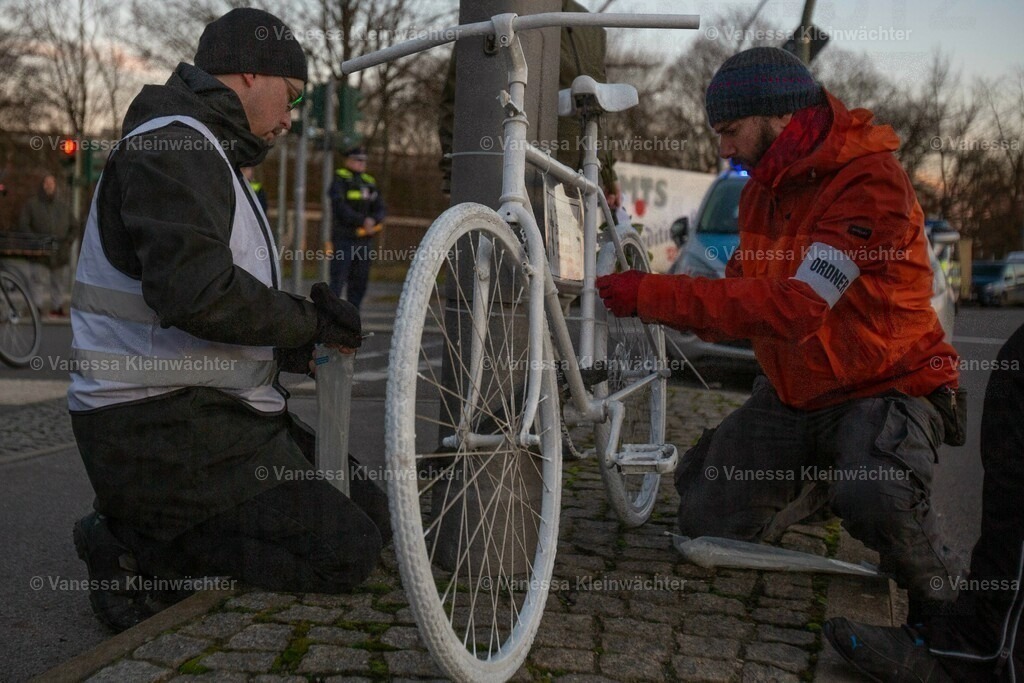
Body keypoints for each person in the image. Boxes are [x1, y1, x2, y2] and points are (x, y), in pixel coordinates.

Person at [595, 47, 964, 621]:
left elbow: (794, 308)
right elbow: (743, 292)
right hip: (796, 395)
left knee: (875, 495)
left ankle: (946, 605)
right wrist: (675, 299)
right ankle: (821, 481)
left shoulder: (870, 185)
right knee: (703, 513)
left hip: (885, 388)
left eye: (730, 130)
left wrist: (652, 294)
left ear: (779, 116)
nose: (723, 148)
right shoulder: (760, 191)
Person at [69, 8, 389, 633]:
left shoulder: (205, 150)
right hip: (156, 427)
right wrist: (305, 323)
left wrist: (303, 345)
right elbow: (196, 294)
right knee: (344, 553)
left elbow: (207, 304)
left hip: (213, 412)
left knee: (370, 514)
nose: (290, 120)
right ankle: (133, 544)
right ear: (250, 73)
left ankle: (155, 530)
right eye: (290, 98)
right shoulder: (176, 144)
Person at [826, 322, 1024, 682]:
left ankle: (980, 651)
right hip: (816, 389)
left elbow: (802, 301)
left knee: (877, 488)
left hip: (893, 384)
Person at [437, 0, 622, 209]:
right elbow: (458, 95)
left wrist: (607, 174)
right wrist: (452, 172)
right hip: (507, 174)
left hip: (572, 184)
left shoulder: (591, 27)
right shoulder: (498, 8)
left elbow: (598, 106)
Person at [328, 146, 385, 310]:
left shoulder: (369, 182)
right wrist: (362, 221)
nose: (362, 164)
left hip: (364, 240)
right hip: (344, 238)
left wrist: (373, 220)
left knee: (360, 282)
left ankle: (353, 318)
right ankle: (331, 318)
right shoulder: (340, 180)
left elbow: (380, 207)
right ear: (348, 160)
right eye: (358, 160)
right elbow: (340, 207)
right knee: (337, 281)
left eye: (364, 161)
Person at [17, 173, 77, 316]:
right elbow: (24, 225)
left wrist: (68, 242)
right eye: (46, 183)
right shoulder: (32, 205)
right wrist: (34, 241)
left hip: (59, 251)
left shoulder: (63, 207)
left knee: (59, 282)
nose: (49, 186)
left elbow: (74, 226)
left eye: (52, 184)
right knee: (38, 281)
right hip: (40, 252)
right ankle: (36, 308)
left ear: (55, 186)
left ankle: (57, 307)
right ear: (42, 185)